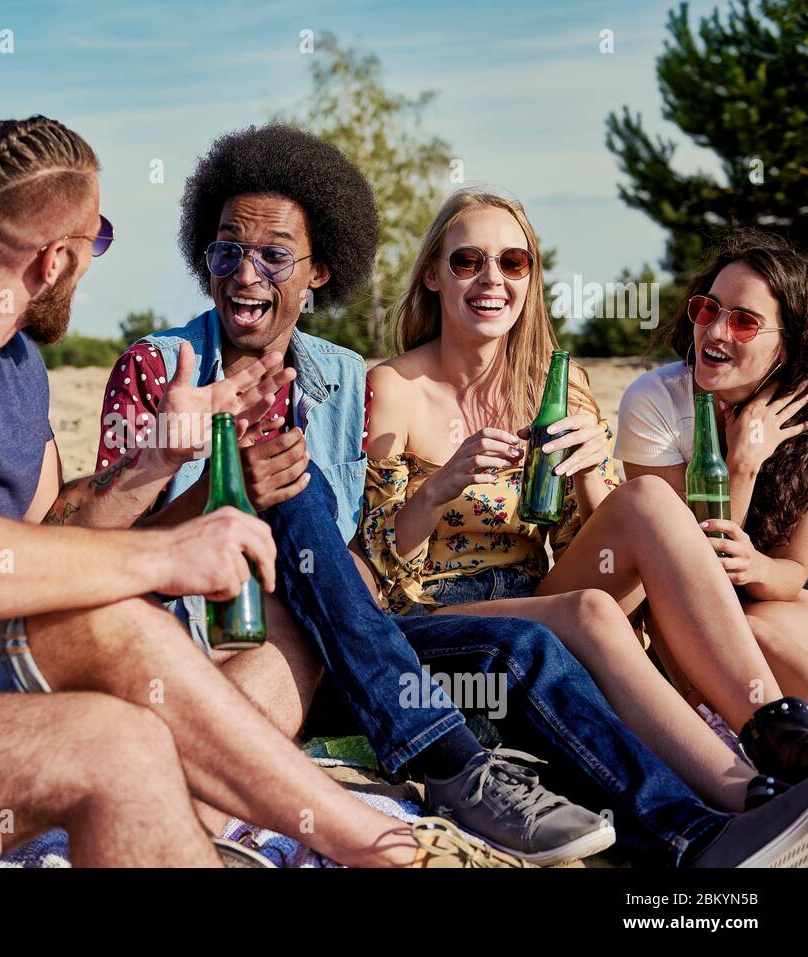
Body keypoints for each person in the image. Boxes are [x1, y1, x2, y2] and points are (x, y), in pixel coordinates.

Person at [77, 126, 808, 867]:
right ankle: (691, 817)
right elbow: (96, 547)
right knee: (521, 619)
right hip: (328, 625)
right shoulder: (168, 367)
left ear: (319, 270)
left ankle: (763, 756)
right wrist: (203, 479)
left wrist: (592, 473)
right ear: (435, 274)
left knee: (575, 586)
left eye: (272, 255)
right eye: (227, 250)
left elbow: (354, 559)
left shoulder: (335, 378)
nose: (246, 273)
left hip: (376, 626)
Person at [0, 114, 524, 867]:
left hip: (12, 655)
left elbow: (55, 543)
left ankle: (220, 817)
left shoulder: (13, 357)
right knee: (121, 632)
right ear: (55, 258)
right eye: (98, 242)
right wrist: (163, 557)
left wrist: (159, 467)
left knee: (292, 627)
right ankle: (385, 843)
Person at [361, 188, 808, 798]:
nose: (491, 278)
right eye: (468, 261)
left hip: (536, 591)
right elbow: (375, 562)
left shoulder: (560, 382)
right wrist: (439, 487)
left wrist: (592, 477)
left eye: (513, 263)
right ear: (435, 276)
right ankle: (744, 793)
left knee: (647, 504)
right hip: (437, 610)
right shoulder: (392, 387)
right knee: (590, 613)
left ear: (531, 279)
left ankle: (774, 732)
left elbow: (604, 554)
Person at [618, 230, 808, 721]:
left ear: (785, 348)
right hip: (687, 615)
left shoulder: (804, 420)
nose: (716, 332)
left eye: (744, 322)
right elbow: (677, 572)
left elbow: (796, 572)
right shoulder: (656, 401)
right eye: (708, 309)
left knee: (761, 626)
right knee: (750, 631)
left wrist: (758, 567)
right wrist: (741, 466)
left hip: (775, 609)